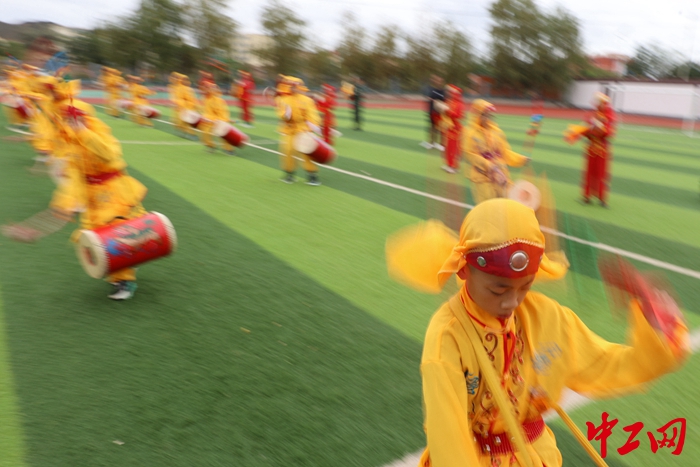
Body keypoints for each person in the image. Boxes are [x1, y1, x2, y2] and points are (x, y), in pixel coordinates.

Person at [385, 198, 689, 467]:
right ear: (464, 270)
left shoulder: (548, 316)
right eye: (498, 288)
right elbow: (448, 439)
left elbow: (612, 365)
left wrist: (655, 321)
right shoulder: (447, 337)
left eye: (525, 286)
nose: (512, 301)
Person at [2, 78, 148, 300]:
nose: (68, 122)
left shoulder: (100, 135)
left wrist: (84, 132)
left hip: (116, 191)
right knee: (95, 239)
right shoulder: (71, 146)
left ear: (85, 117)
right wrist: (41, 225)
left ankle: (124, 281)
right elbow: (74, 181)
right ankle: (124, 272)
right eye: (66, 119)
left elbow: (109, 154)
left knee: (115, 235)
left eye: (73, 118)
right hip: (93, 196)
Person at [463, 99, 529, 204]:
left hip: (500, 175)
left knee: (504, 205)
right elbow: (469, 155)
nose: (487, 118)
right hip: (483, 177)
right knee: (487, 206)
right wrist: (488, 165)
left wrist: (520, 159)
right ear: (477, 115)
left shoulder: (496, 132)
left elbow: (504, 152)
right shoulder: (470, 133)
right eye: (484, 115)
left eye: (489, 115)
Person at [276, 77, 322, 186]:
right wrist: (286, 115)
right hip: (290, 129)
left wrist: (313, 125)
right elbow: (282, 115)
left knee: (306, 152)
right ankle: (289, 174)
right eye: (290, 86)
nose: (293, 88)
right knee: (287, 150)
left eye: (295, 86)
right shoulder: (283, 99)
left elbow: (312, 115)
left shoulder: (307, 100)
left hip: (303, 129)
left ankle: (312, 176)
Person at [580, 93, 615, 207]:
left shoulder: (608, 116)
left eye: (601, 102)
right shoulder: (593, 115)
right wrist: (585, 131)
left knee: (602, 174)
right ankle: (587, 196)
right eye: (598, 102)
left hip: (602, 149)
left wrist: (599, 127)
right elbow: (587, 130)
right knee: (589, 173)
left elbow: (609, 133)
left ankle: (602, 198)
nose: (599, 104)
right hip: (591, 148)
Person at [200, 82, 235, 155]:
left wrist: (222, 120)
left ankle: (229, 150)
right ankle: (211, 146)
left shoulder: (218, 100)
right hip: (209, 120)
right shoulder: (205, 99)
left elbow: (222, 113)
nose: (206, 90)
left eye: (208, 88)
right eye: (205, 88)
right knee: (205, 132)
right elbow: (206, 111)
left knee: (223, 133)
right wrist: (206, 118)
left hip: (219, 120)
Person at [441, 84, 464, 174]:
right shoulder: (449, 101)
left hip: (455, 129)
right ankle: (448, 164)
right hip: (448, 127)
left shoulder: (459, 104)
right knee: (447, 147)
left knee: (453, 149)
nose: (447, 93)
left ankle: (454, 166)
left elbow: (458, 116)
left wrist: (447, 110)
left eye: (449, 92)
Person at [422, 75, 445, 150]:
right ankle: (431, 143)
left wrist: (439, 102)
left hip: (439, 112)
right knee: (431, 127)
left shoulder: (442, 91)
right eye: (437, 80)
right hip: (432, 111)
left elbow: (444, 100)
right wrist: (432, 99)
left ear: (441, 82)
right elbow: (428, 97)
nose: (438, 82)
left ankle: (439, 144)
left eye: (439, 81)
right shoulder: (431, 89)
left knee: (439, 128)